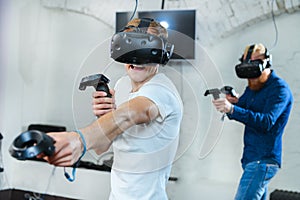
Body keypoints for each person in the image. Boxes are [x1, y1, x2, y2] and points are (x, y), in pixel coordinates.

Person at [44, 18, 183, 200]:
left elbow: (132, 113)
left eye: (146, 50)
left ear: (162, 53)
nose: (137, 60)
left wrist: (81, 140)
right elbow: (103, 147)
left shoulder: (162, 89)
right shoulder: (122, 85)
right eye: (131, 49)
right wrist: (105, 117)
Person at [212, 43, 293, 200]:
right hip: (251, 159)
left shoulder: (279, 89)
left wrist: (232, 109)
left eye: (254, 62)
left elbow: (266, 122)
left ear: (266, 62)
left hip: (263, 160)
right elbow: (245, 108)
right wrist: (234, 103)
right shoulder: (253, 87)